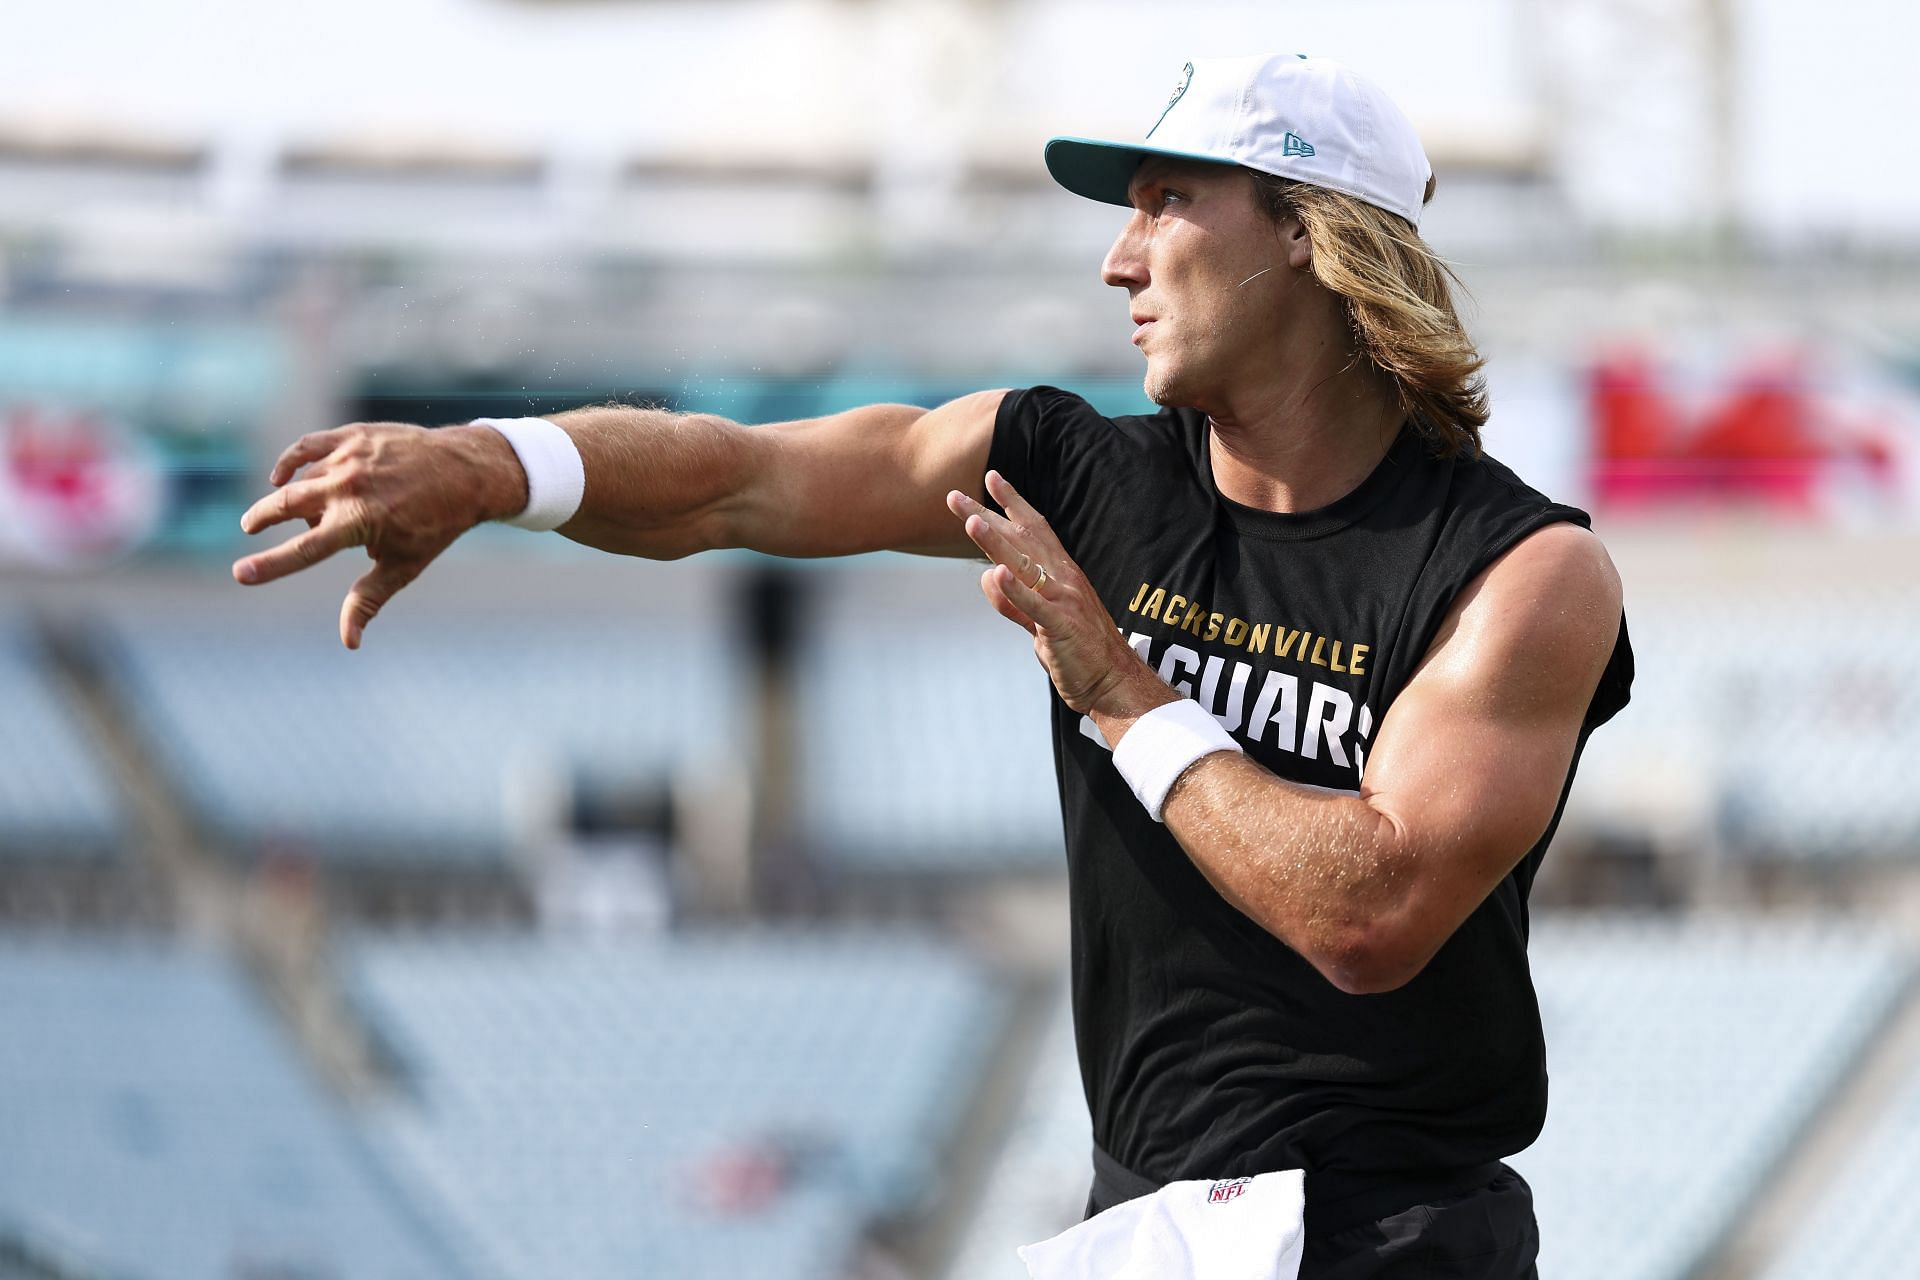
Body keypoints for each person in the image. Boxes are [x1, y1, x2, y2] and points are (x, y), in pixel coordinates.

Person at [235, 53, 1631, 1278]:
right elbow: (741, 482)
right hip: (1146, 1220)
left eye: (1166, 204)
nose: (1117, 260)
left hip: (1389, 1240)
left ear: (1311, 239)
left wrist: (1125, 699)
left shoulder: (1520, 570)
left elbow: (1370, 917)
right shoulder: (1072, 474)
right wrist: (491, 464)